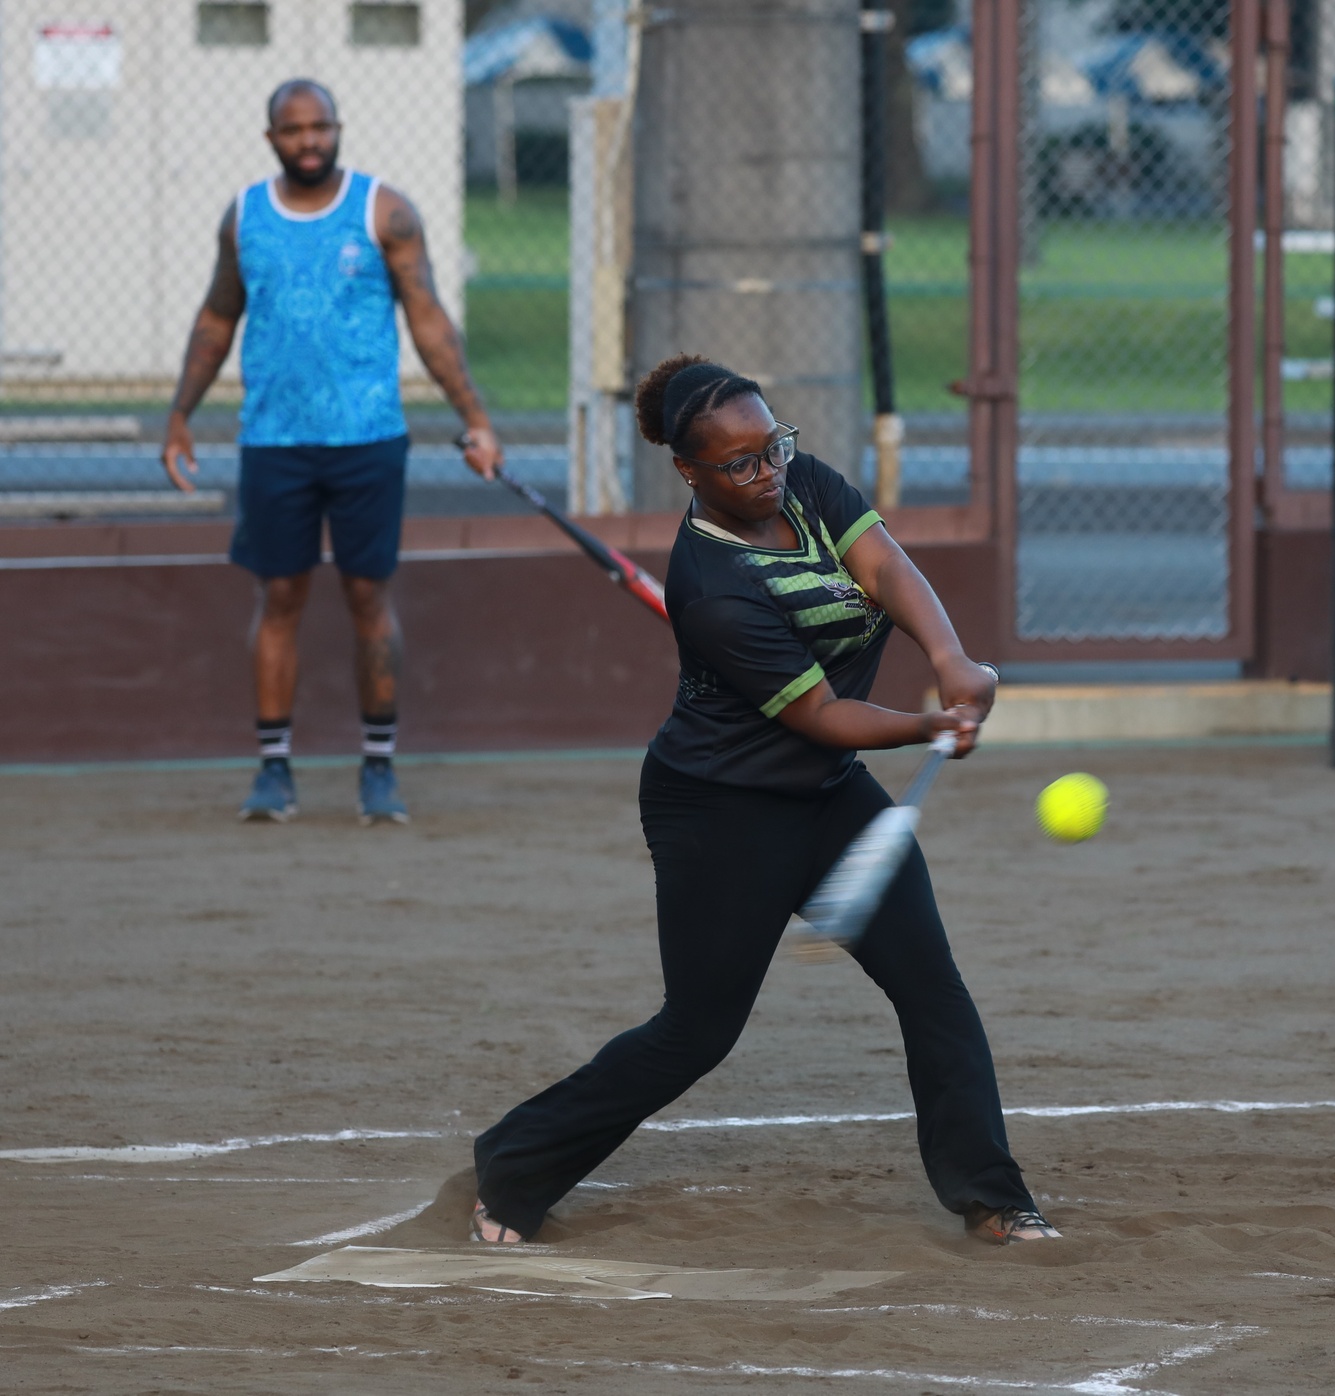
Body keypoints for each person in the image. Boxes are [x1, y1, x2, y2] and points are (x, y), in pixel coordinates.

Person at [468, 355, 1058, 1246]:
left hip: (826, 798)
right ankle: (514, 1166)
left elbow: (887, 568)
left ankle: (992, 1196)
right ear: (690, 472)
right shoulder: (709, 586)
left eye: (772, 446)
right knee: (696, 1032)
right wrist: (928, 725)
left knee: (932, 991)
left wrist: (951, 658)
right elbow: (822, 714)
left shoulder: (805, 486)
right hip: (718, 812)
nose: (766, 472)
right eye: (739, 463)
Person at [159, 79, 503, 823]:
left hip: (367, 439)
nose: (309, 140)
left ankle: (377, 768)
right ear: (271, 138)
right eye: (293, 130)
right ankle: (273, 771)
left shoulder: (385, 211)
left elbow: (430, 320)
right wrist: (180, 415)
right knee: (278, 597)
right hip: (274, 440)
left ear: (339, 129)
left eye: (321, 126)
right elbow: (218, 316)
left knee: (367, 596)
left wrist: (475, 417)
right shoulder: (245, 216)